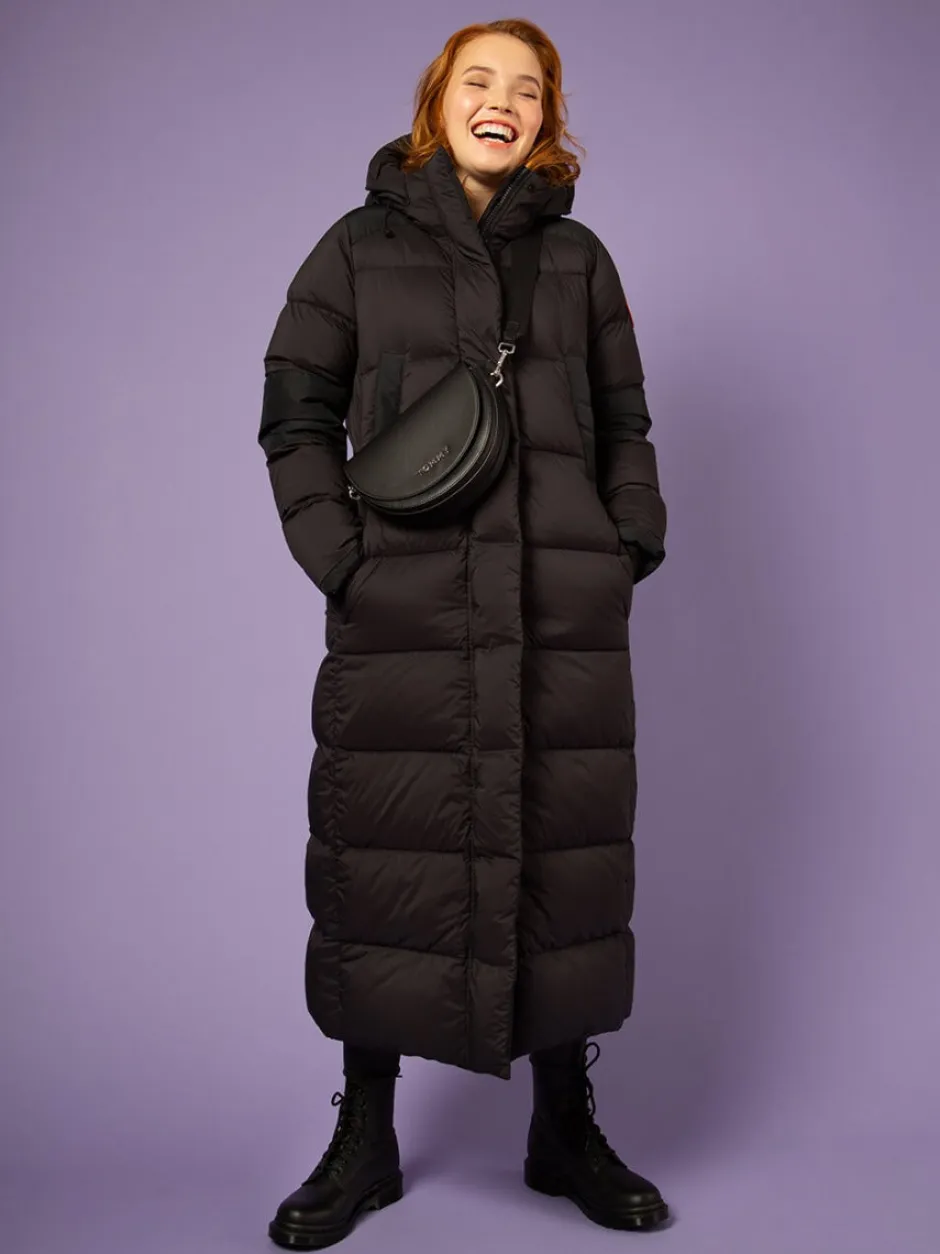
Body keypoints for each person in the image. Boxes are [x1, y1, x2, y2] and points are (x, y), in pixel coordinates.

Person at [257, 17, 670, 1249]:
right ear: (438, 102)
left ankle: (564, 1128)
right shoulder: (354, 247)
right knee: (383, 860)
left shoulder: (578, 261)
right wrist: (343, 560)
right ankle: (367, 1136)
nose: (503, 101)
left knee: (561, 862)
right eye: (479, 80)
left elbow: (625, 421)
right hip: (407, 610)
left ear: (548, 119)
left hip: (559, 615)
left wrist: (623, 548)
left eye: (528, 89)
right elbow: (294, 411)